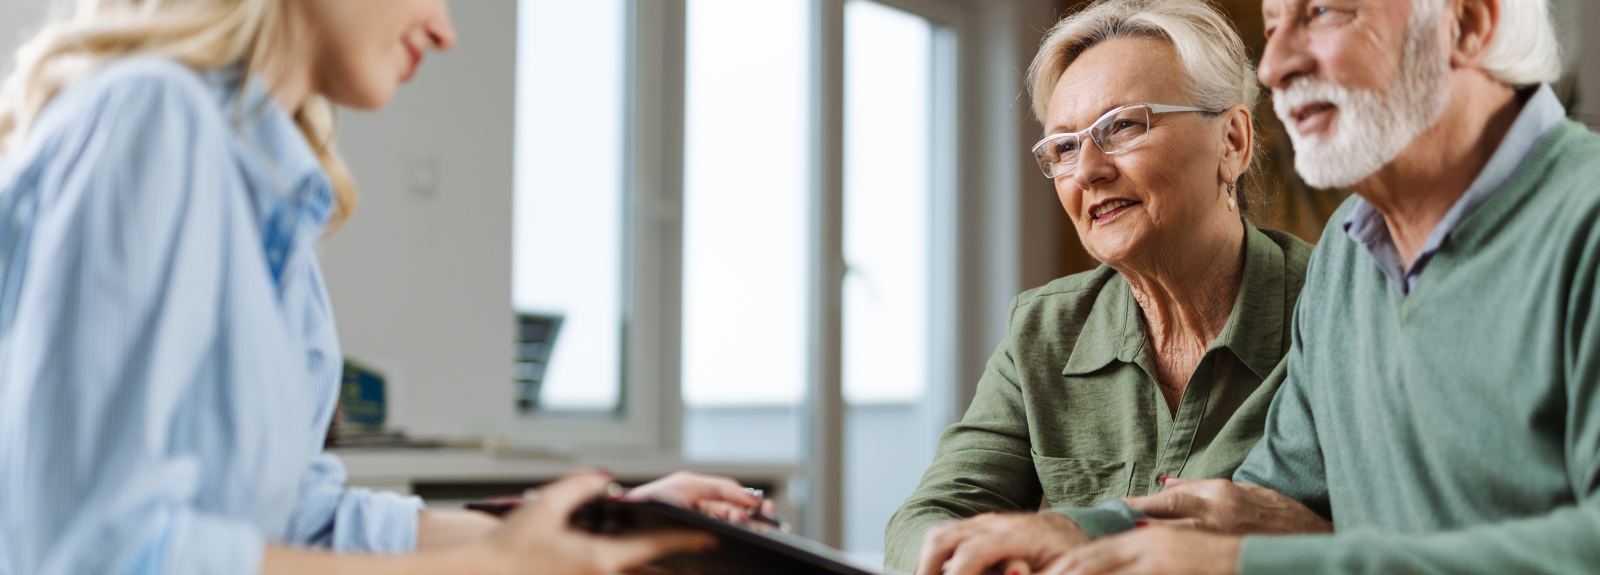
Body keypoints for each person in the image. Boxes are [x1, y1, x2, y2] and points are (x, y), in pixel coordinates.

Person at [0, 1, 764, 574]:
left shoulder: (275, 198)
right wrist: (485, 568)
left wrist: (606, 526)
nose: (443, 27)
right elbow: (96, 549)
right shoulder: (153, 118)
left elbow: (303, 520)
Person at [917, 0, 1600, 573]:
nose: (1273, 67)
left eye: (1324, 11)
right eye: (1274, 25)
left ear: (1469, 22)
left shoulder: (1582, 219)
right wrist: (1085, 533)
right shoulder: (1349, 256)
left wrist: (1239, 563)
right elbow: (1258, 501)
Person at [882, 1, 1313, 572]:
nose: (1086, 169)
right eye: (1063, 146)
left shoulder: (1332, 303)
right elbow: (933, 512)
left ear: (1231, 141)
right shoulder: (1041, 330)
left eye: (1123, 126)